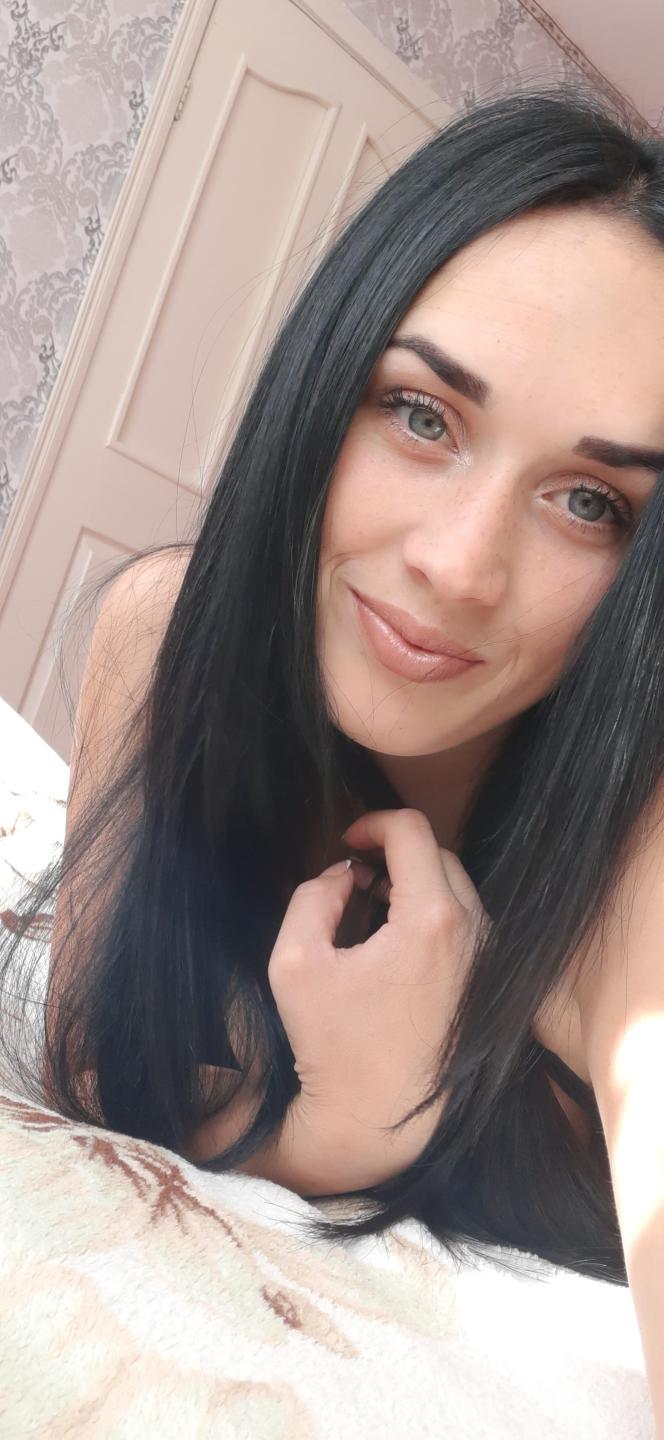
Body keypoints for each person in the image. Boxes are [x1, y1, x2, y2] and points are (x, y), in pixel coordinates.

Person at [2, 82, 664, 1314]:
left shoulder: (633, 856)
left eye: (590, 504)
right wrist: (341, 1128)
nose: (456, 566)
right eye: (420, 415)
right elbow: (100, 1055)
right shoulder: (164, 633)